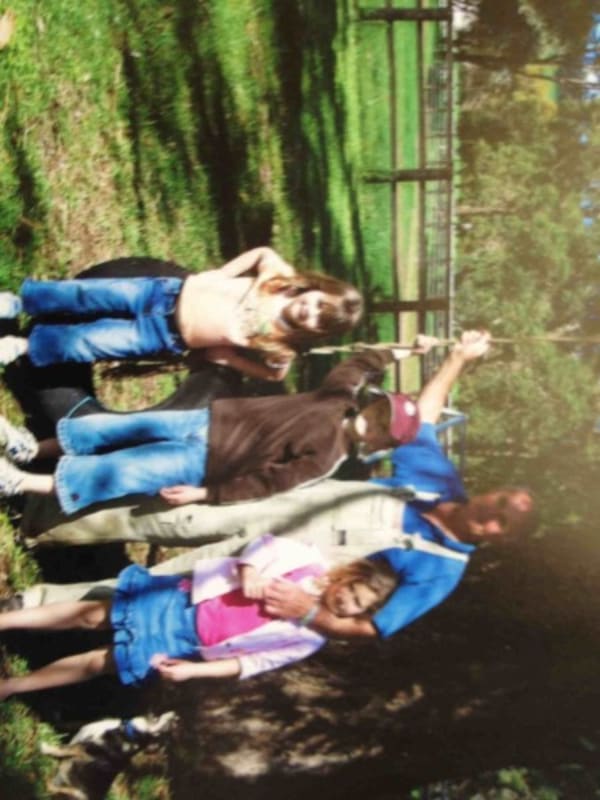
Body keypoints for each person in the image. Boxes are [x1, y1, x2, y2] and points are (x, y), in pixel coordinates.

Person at [8, 332, 536, 644]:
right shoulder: (438, 483)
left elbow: (373, 629)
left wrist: (305, 610)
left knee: (167, 583)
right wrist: (458, 360)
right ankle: (40, 517)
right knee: (163, 513)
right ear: (491, 491)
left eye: (503, 521)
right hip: (273, 504)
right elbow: (423, 418)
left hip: (281, 564)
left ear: (502, 539)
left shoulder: (443, 568)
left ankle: (29, 604)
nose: (492, 512)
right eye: (500, 501)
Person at [0, 347, 420, 515]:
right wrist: (403, 352)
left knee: (123, 471)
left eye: (384, 428)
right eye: (381, 411)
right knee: (117, 428)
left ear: (381, 444)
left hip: (203, 463)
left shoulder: (328, 460)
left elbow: (266, 484)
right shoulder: (338, 398)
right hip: (206, 419)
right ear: (374, 401)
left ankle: (19, 483)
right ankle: (31, 449)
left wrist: (205, 494)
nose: (376, 420)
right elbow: (359, 363)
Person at [0, 534, 396, 700]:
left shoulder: (310, 637)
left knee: (102, 662)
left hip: (186, 642)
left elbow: (251, 663)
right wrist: (250, 572)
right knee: (93, 615)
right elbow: (263, 545)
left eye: (357, 606)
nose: (346, 602)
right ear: (348, 576)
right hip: (181, 601)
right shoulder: (308, 561)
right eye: (352, 591)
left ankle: (14, 686)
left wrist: (194, 671)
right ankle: (7, 622)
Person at [0, 247, 363, 381]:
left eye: (319, 320)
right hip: (163, 292)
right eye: (319, 303)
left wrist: (229, 359)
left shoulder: (281, 345)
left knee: (90, 343)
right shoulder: (281, 279)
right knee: (89, 294)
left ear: (318, 332)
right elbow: (263, 253)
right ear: (318, 287)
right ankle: (20, 303)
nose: (310, 311)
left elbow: (275, 374)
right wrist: (222, 274)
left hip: (165, 337)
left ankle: (22, 346)